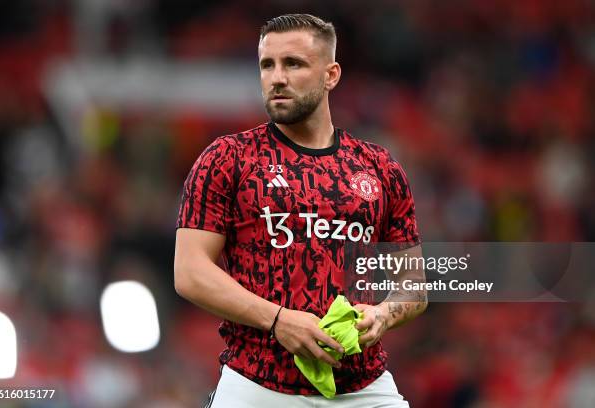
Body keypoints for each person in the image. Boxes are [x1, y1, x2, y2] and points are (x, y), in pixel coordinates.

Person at [174, 13, 426, 408]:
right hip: (257, 383)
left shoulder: (380, 167)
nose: (276, 77)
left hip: (364, 387)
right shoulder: (228, 159)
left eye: (293, 64)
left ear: (331, 75)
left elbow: (413, 283)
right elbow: (189, 272)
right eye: (267, 65)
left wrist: (383, 315)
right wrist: (278, 320)